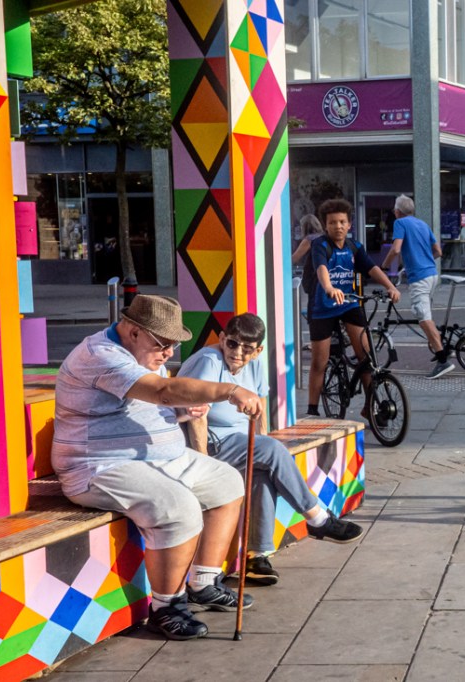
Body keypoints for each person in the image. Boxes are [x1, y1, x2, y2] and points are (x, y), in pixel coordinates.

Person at [51, 295, 260, 641]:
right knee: (177, 506)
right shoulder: (101, 355)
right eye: (163, 344)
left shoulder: (143, 353)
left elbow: (152, 404)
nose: (168, 353)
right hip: (99, 465)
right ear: (133, 332)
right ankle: (166, 607)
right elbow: (162, 391)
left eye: (173, 345)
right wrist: (229, 390)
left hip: (158, 458)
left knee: (226, 482)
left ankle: (203, 582)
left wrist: (181, 412)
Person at [179, 313, 363, 586]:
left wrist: (262, 442)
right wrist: (204, 463)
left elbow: (260, 404)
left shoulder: (253, 365)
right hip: (210, 444)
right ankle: (317, 518)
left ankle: (256, 557)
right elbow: (196, 415)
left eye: (247, 349)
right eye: (232, 344)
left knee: (263, 469)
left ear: (258, 351)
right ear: (222, 339)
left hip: (238, 442)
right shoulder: (209, 361)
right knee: (271, 451)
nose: (237, 353)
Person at [306, 198, 401, 416]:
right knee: (320, 361)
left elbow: (371, 268)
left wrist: (390, 286)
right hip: (322, 308)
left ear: (349, 224)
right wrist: (329, 287)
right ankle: (312, 409)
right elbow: (321, 267)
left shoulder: (354, 247)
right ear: (325, 225)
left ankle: (370, 405)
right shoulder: (320, 245)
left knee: (366, 356)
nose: (337, 226)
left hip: (348, 304)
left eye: (342, 222)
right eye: (332, 222)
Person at [381, 194, 454, 379]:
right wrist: (423, 260)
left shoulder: (400, 223)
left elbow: (396, 249)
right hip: (432, 274)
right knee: (426, 314)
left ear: (397, 211)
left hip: (419, 278)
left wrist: (383, 267)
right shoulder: (423, 224)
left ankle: (442, 359)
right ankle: (441, 346)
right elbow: (438, 251)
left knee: (423, 318)